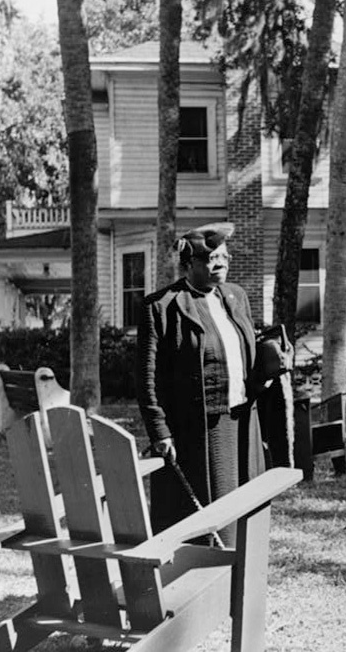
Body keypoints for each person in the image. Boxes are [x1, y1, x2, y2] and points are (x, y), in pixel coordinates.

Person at [136, 222, 265, 542]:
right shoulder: (162, 307)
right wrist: (159, 431)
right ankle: (211, 581)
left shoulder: (236, 296)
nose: (220, 263)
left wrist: (272, 361)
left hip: (244, 420)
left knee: (248, 503)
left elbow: (247, 352)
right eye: (210, 259)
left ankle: (241, 577)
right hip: (200, 428)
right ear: (189, 264)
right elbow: (147, 377)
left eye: (224, 257)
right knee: (213, 514)